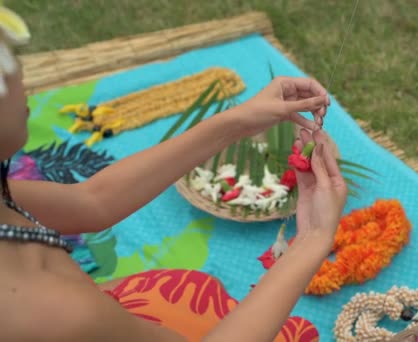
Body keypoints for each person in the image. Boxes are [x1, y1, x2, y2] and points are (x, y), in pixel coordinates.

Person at [0, 6, 348, 342]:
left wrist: (238, 121)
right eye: (10, 67)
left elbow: (90, 202)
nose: (23, 81)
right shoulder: (58, 314)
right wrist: (312, 238)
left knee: (193, 289)